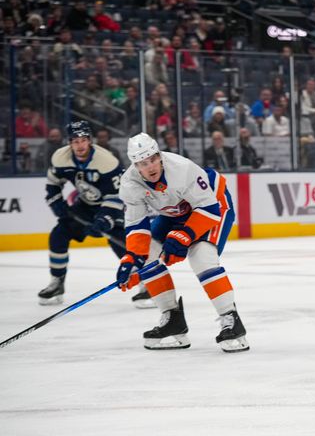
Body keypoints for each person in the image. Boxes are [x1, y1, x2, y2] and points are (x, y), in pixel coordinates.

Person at [116, 132, 248, 352]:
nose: (149, 167)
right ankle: (173, 319)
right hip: (174, 212)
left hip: (213, 203)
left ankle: (231, 319)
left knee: (201, 257)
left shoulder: (181, 168)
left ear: (159, 156)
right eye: (142, 163)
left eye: (152, 159)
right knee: (147, 257)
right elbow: (136, 226)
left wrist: (184, 236)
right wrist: (132, 258)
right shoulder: (130, 183)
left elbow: (209, 208)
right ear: (135, 166)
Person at [38, 121, 132, 305]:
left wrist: (104, 219)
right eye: (75, 141)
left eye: (83, 140)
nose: (79, 145)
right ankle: (57, 282)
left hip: (114, 206)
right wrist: (56, 201)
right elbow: (53, 183)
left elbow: (116, 196)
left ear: (90, 140)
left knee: (120, 242)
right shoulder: (60, 158)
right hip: (85, 206)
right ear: (69, 142)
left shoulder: (107, 161)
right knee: (58, 235)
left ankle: (145, 281)